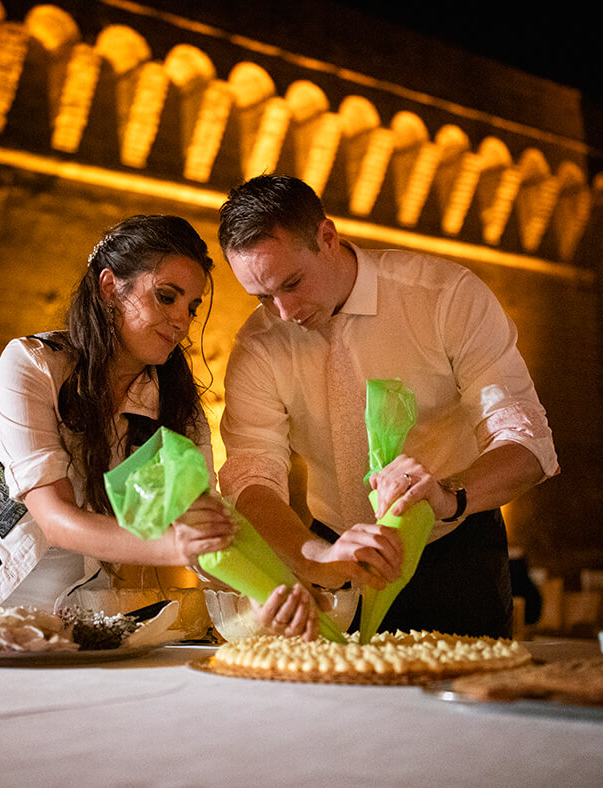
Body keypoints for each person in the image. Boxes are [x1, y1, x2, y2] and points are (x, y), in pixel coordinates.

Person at [217, 175, 559, 639]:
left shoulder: (445, 296)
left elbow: (525, 441)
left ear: (327, 237)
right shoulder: (259, 346)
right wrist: (313, 556)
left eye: (292, 283)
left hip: (456, 547)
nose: (283, 312)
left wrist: (447, 496)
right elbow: (250, 476)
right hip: (335, 554)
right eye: (262, 297)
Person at [0, 215, 239, 645]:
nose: (181, 321)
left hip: (76, 612)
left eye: (191, 307)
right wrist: (176, 546)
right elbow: (56, 521)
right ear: (109, 288)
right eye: (165, 297)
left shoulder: (177, 405)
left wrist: (274, 590)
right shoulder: (32, 364)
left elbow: (202, 529)